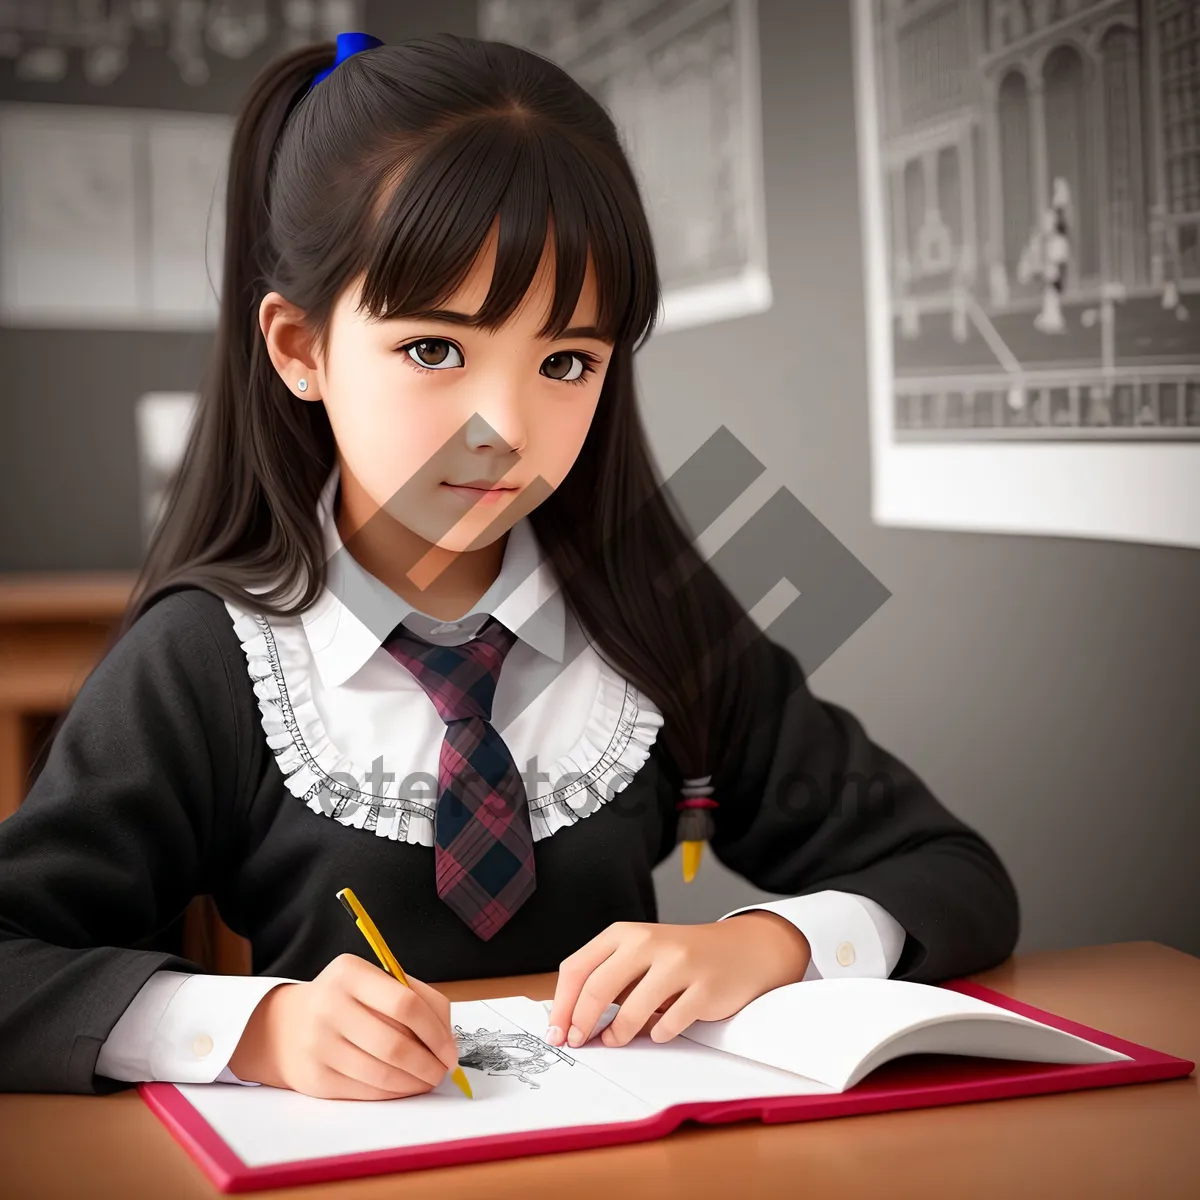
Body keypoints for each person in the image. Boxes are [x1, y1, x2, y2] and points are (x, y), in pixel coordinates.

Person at [0, 32, 1019, 1100]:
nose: (507, 427)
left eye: (566, 360)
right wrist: (257, 1029)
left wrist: (765, 944)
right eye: (434, 349)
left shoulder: (657, 621)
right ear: (300, 348)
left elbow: (952, 874)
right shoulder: (208, 659)